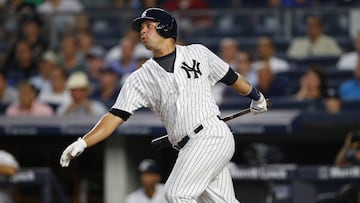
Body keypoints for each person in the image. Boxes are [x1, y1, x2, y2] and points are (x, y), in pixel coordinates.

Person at [60, 8, 267, 203]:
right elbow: (115, 116)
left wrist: (257, 97)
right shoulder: (139, 78)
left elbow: (233, 78)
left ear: (166, 27)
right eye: (141, 27)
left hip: (211, 134)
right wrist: (84, 142)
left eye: (148, 25)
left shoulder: (198, 53)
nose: (142, 30)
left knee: (176, 194)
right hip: (188, 147)